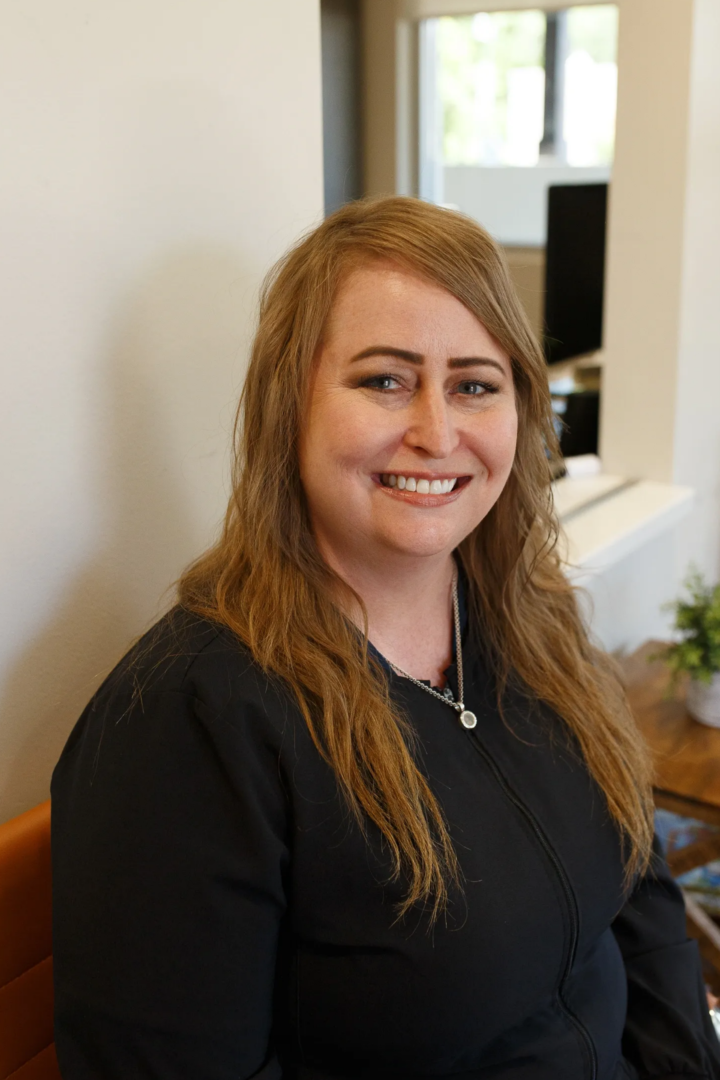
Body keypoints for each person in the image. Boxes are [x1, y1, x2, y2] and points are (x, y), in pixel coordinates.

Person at [51, 196, 720, 1080]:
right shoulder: (188, 722)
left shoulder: (530, 617)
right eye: (384, 380)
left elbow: (638, 887)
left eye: (475, 385)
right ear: (290, 405)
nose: (437, 433)